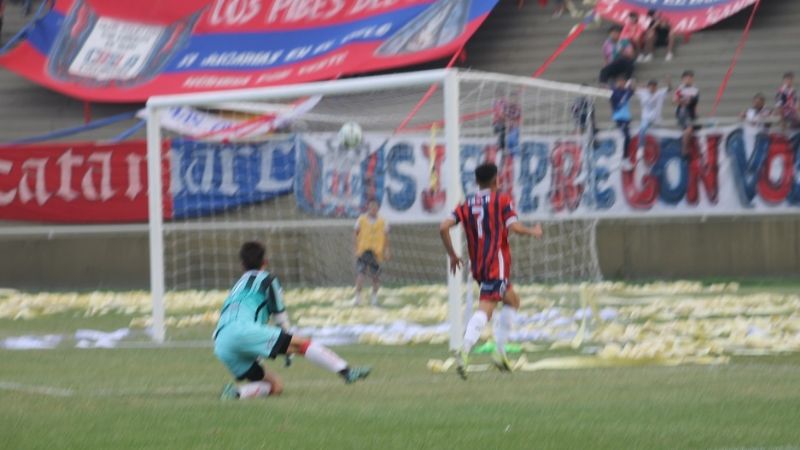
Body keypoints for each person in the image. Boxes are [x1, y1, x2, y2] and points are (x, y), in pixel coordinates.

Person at [214, 241, 370, 400]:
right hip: (243, 330)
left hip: (221, 342)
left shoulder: (237, 286)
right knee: (301, 344)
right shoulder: (267, 279)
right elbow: (280, 318)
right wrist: (288, 346)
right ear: (265, 262)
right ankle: (345, 371)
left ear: (242, 265)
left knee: (275, 386)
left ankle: (236, 393)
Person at [439, 163, 543, 379]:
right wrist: (533, 231)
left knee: (513, 301)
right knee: (486, 308)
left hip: (478, 264)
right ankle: (464, 348)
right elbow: (514, 227)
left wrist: (453, 255)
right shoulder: (502, 200)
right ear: (496, 180)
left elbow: (443, 227)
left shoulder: (466, 203)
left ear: (477, 182)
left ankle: (500, 352)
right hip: (497, 262)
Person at [353, 200, 389, 306]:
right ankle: (357, 298)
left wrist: (387, 250)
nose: (373, 209)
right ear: (368, 207)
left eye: (375, 207)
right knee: (361, 274)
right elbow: (355, 234)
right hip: (363, 251)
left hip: (376, 253)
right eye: (371, 206)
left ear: (378, 208)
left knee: (376, 277)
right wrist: (355, 248)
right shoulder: (361, 220)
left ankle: (374, 298)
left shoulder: (383, 221)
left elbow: (386, 236)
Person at [635, 77, 672, 159]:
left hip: (656, 119)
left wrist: (668, 82)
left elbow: (669, 89)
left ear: (656, 87)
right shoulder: (643, 92)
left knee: (661, 137)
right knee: (642, 129)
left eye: (654, 86)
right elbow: (633, 88)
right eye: (651, 86)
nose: (652, 88)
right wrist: (639, 84)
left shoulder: (660, 93)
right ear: (648, 87)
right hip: (646, 118)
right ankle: (640, 148)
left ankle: (661, 153)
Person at [610, 77, 635, 169]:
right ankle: (624, 159)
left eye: (624, 82)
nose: (622, 84)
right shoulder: (614, 92)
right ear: (617, 82)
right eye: (620, 82)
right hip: (619, 118)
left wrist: (631, 83)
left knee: (628, 137)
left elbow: (631, 91)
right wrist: (615, 86)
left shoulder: (625, 91)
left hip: (626, 118)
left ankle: (624, 158)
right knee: (626, 136)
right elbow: (611, 91)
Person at [674, 70, 699, 157]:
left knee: (693, 130)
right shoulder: (680, 89)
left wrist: (683, 100)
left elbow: (693, 102)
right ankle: (685, 150)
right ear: (683, 79)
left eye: (690, 78)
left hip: (691, 112)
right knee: (688, 129)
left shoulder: (695, 89)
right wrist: (683, 101)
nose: (688, 80)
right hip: (683, 112)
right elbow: (675, 100)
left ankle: (691, 150)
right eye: (686, 78)